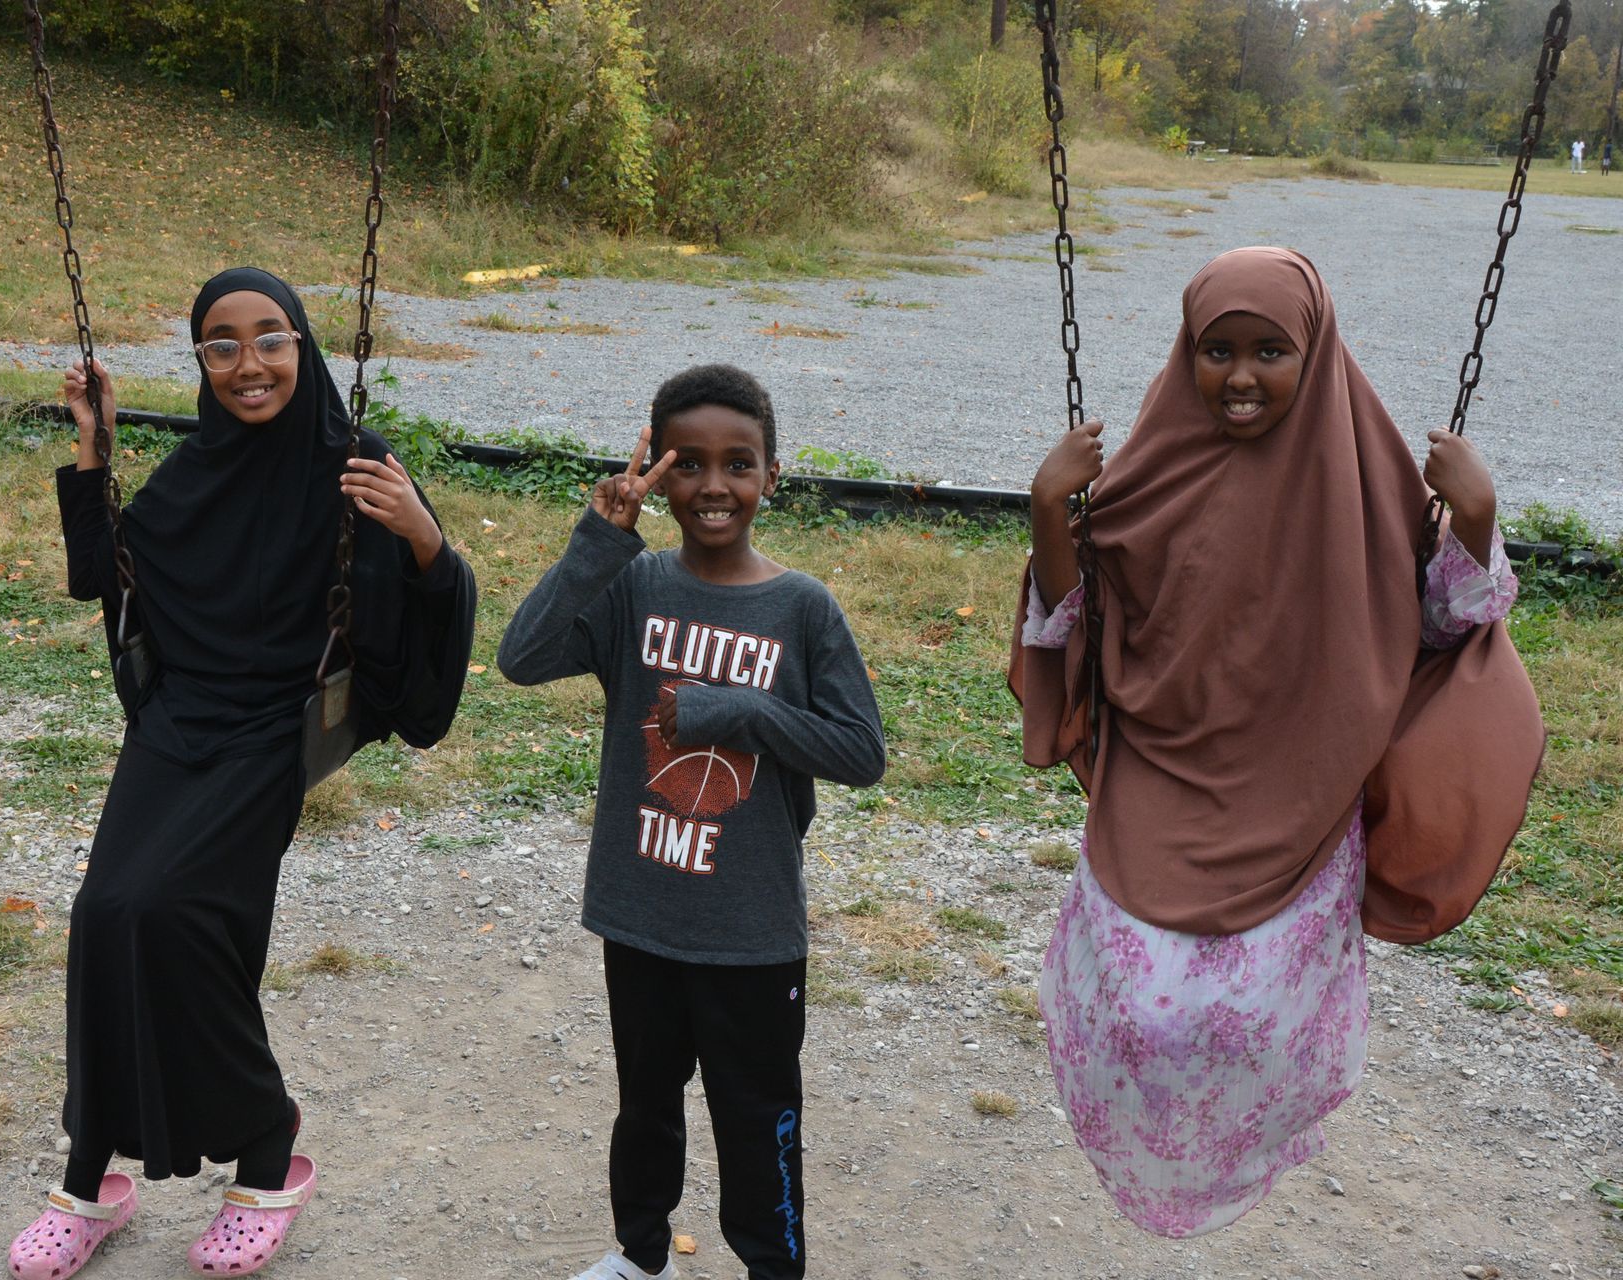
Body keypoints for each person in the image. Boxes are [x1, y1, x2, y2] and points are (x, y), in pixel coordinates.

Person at [1009, 247, 1542, 1238]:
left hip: (1304, 783)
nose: (1241, 376)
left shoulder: (1369, 482)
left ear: (1316, 352)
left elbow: (1439, 627)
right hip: (1161, 767)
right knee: (1136, 1004)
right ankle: (1145, 1162)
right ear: (1187, 354)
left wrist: (1473, 516)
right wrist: (1050, 508)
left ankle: (1244, 1150)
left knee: (1258, 1019)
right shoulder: (1148, 475)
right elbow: (1076, 619)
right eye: (1217, 351)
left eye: (1270, 351)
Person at [8, 267, 477, 1280]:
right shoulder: (190, 472)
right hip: (178, 723)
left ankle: (268, 1146)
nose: (248, 363)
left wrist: (421, 533)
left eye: (270, 338)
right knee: (105, 914)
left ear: (303, 345)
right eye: (221, 344)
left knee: (179, 916)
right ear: (202, 361)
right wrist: (94, 444)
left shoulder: (357, 464)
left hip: (275, 729)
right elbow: (102, 575)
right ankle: (90, 1179)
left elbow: (429, 602)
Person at [498, 365, 887, 1280]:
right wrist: (599, 541)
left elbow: (860, 751)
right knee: (644, 1106)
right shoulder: (633, 586)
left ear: (772, 476)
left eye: (738, 464)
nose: (715, 485)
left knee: (757, 1119)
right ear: (660, 474)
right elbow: (522, 656)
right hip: (640, 910)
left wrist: (736, 711)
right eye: (689, 464)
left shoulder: (802, 608)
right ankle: (643, 1257)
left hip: (750, 929)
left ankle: (772, 1269)